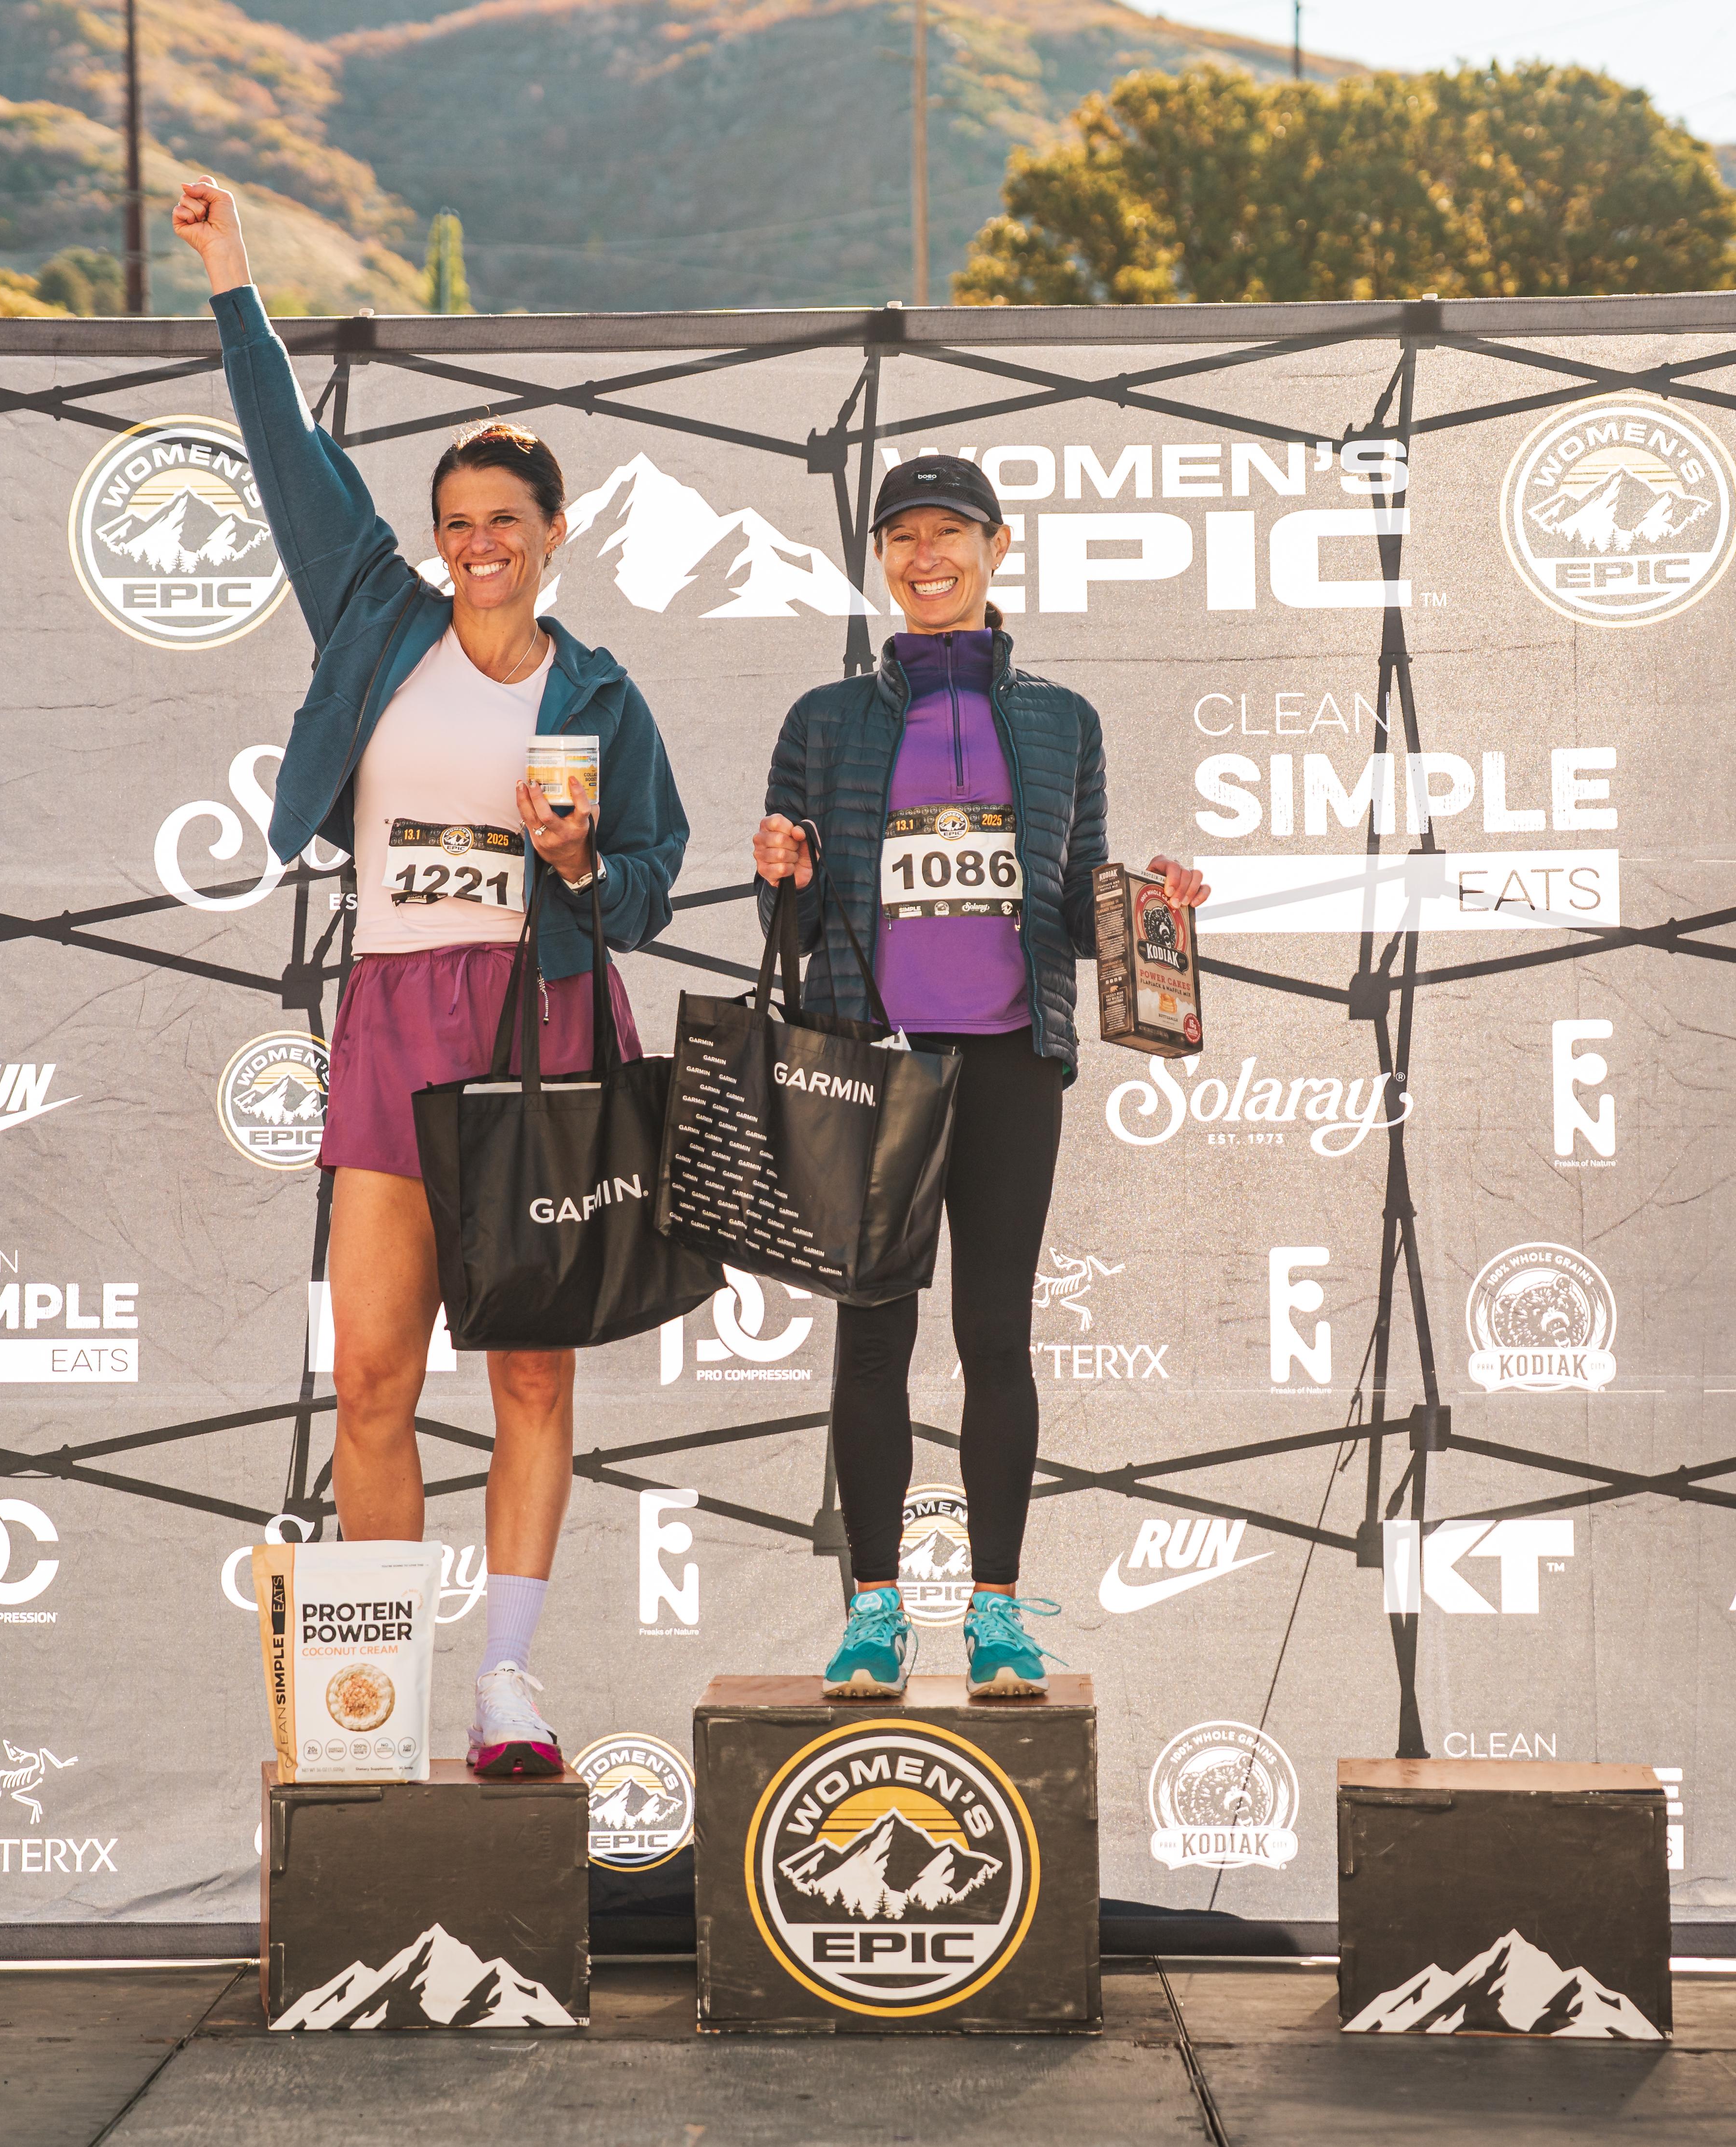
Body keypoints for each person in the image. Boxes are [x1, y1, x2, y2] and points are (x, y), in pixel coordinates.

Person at [174, 177, 691, 1778]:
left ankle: (505, 1688)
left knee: (530, 1366)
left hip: (544, 1021)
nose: (477, 545)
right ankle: (377, 1696)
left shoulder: (600, 691)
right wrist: (233, 279)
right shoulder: (374, 612)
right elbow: (288, 457)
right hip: (398, 1015)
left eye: (505, 522)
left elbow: (654, 882)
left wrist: (581, 867)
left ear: (553, 535)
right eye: (457, 521)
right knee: (374, 1376)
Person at [751, 454, 1207, 1703]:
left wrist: (1147, 906)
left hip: (1011, 1063)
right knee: (871, 1343)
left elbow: (1073, 905)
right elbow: (794, 930)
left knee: (995, 1337)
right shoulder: (824, 720)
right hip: (870, 1063)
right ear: (881, 559)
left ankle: (998, 1616)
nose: (927, 557)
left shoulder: (1064, 722)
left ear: (998, 549)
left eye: (950, 533)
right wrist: (783, 872)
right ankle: (874, 1616)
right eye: (903, 537)